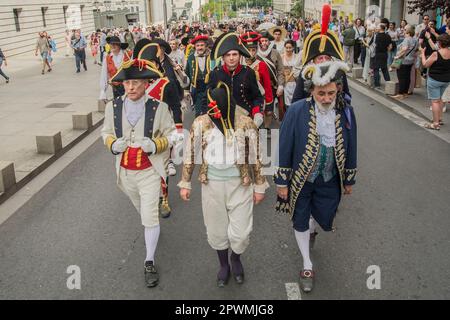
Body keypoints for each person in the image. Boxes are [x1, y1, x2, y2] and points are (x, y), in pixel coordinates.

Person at [275, 60, 357, 293]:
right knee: (300, 216)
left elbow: (352, 144)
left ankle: (311, 228)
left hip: (330, 178)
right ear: (311, 91)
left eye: (331, 92)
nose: (327, 98)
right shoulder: (296, 110)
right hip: (301, 178)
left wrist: (349, 179)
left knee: (324, 213)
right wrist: (282, 181)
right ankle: (307, 263)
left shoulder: (346, 111)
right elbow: (284, 145)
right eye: (321, 93)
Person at [178, 82, 268, 287]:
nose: (211, 110)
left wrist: (260, 185)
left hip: (240, 183)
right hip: (212, 185)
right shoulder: (201, 122)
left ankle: (235, 258)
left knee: (241, 233)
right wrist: (185, 182)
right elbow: (190, 153)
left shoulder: (245, 122)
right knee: (217, 230)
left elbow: (256, 155)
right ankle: (224, 265)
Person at [101, 54, 180, 288]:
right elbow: (105, 133)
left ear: (146, 84)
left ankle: (149, 261)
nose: (132, 86)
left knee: (149, 217)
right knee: (144, 213)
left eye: (136, 82)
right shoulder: (112, 107)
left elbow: (173, 134)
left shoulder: (160, 107)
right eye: (127, 82)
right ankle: (151, 224)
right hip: (125, 174)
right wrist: (111, 144)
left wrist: (156, 145)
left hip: (149, 172)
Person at [208, 32, 264, 129]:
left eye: (235, 54)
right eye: (228, 55)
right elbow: (207, 97)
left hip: (245, 118)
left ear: (240, 56)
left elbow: (257, 97)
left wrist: (257, 113)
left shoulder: (249, 72)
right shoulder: (215, 74)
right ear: (223, 57)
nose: (231, 58)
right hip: (221, 121)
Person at [240, 31, 274, 121]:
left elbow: (267, 86)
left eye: (253, 50)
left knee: (259, 130)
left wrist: (269, 106)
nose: (251, 53)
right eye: (248, 50)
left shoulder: (261, 65)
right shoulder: (239, 64)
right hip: (242, 103)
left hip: (258, 102)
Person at [421, 34, 450, 130]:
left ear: (440, 43)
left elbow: (425, 64)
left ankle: (435, 123)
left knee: (435, 101)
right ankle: (439, 119)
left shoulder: (436, 54)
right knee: (440, 99)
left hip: (435, 79)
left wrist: (422, 54)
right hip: (446, 80)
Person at [258, 31, 285, 129]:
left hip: (271, 86)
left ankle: (267, 127)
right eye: (262, 41)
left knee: (269, 110)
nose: (264, 43)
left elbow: (281, 70)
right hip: (258, 86)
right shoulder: (255, 53)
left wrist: (281, 85)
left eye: (266, 41)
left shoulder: (275, 53)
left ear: (269, 42)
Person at [185, 34, 212, 117]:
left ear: (206, 46)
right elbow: (187, 74)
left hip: (209, 87)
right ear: (195, 47)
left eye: (202, 45)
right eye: (198, 45)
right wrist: (186, 90)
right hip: (197, 88)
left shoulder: (212, 56)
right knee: (199, 113)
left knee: (209, 112)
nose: (200, 47)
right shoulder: (190, 57)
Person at [391, 25, 418, 99]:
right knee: (407, 77)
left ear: (408, 31)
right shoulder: (415, 40)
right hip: (410, 61)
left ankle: (400, 94)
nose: (403, 30)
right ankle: (405, 93)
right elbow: (416, 50)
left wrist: (398, 56)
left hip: (404, 60)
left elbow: (405, 49)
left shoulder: (407, 39)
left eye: (405, 29)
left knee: (401, 77)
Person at [281, 40, 302, 108]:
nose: (288, 49)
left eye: (290, 47)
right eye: (286, 47)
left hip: (294, 83)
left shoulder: (297, 57)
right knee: (285, 103)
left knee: (295, 101)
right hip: (285, 83)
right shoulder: (281, 57)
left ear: (293, 48)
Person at [371, 23, 392, 88]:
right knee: (384, 68)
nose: (376, 28)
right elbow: (390, 47)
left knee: (376, 69)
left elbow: (374, 45)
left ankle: (377, 84)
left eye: (377, 26)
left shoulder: (376, 36)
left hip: (377, 54)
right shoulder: (388, 36)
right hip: (384, 54)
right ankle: (389, 83)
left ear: (380, 28)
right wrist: (386, 50)